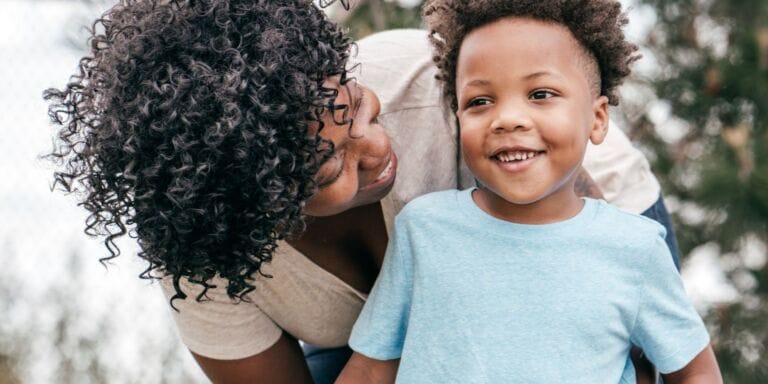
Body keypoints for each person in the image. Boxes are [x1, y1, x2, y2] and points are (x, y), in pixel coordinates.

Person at [44, 0, 678, 383]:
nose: (378, 152)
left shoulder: (430, 90)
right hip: (359, 342)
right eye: (330, 170)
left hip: (577, 225)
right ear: (263, 211)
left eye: (358, 109)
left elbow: (603, 292)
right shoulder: (207, 265)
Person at [337, 0, 722, 383]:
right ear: (457, 120)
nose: (507, 119)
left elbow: (695, 372)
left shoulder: (636, 250)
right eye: (480, 101)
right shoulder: (422, 229)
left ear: (598, 119)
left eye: (540, 94)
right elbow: (371, 369)